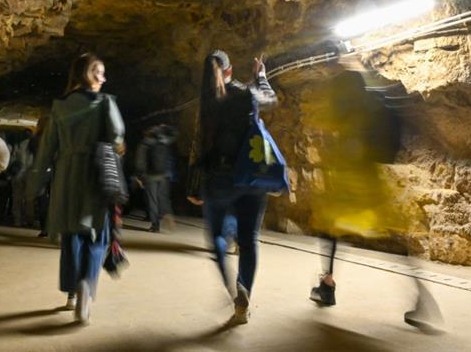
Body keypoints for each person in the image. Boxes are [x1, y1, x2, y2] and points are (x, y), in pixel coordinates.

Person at [305, 69, 442, 332]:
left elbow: (323, 119)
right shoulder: (371, 105)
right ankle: (421, 296)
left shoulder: (343, 108)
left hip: (347, 186)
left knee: (328, 229)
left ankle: (327, 286)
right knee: (388, 239)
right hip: (370, 184)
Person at [32, 53, 126, 325]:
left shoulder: (59, 107)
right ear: (90, 75)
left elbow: (47, 148)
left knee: (71, 234)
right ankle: (87, 285)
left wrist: (35, 182)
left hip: (66, 176)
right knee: (95, 235)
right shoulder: (105, 103)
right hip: (96, 175)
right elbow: (117, 135)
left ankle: (71, 293)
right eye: (101, 72)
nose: (104, 78)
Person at [188, 50, 276, 324]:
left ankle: (230, 288)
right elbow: (270, 100)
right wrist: (260, 76)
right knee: (249, 240)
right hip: (250, 176)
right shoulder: (245, 93)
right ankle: (243, 290)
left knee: (216, 235)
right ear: (229, 70)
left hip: (219, 179)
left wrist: (195, 183)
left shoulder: (207, 104)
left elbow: (200, 144)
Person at [135, 124, 177, 232]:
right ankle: (167, 214)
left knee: (152, 200)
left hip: (150, 176)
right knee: (163, 198)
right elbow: (175, 134)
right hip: (164, 175)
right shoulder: (164, 141)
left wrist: (140, 176)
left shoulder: (145, 143)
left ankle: (155, 225)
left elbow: (140, 161)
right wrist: (166, 127)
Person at [10, 130, 34, 227]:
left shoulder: (18, 145)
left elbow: (12, 160)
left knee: (17, 198)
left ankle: (17, 220)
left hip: (18, 174)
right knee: (29, 199)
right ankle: (29, 219)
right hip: (31, 174)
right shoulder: (35, 145)